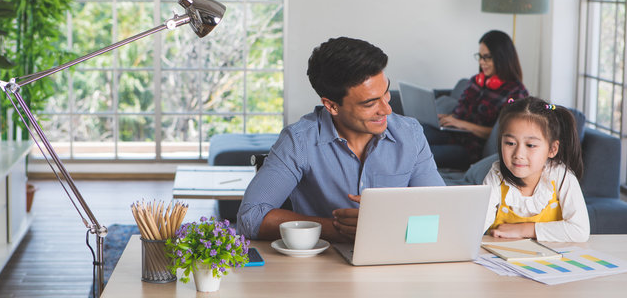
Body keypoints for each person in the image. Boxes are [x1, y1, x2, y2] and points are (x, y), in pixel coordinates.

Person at [237, 37, 445, 242]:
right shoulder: (299, 141)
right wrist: (336, 228)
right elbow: (250, 218)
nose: (387, 109)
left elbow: (441, 211)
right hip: (323, 264)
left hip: (398, 260)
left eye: (386, 92)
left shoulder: (410, 134)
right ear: (332, 106)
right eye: (370, 103)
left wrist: (384, 223)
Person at [482, 96, 589, 242]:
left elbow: (580, 231)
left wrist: (524, 230)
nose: (518, 154)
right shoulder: (496, 177)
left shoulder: (561, 176)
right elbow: (477, 226)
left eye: (530, 145)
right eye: (510, 143)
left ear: (552, 149)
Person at [425, 30, 529, 170]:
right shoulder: (476, 81)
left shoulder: (516, 93)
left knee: (422, 154)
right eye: (480, 57)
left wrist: (461, 124)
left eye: (486, 57)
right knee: (415, 133)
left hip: (469, 150)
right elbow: (461, 112)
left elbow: (501, 134)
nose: (481, 62)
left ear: (502, 58)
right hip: (452, 134)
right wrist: (449, 118)